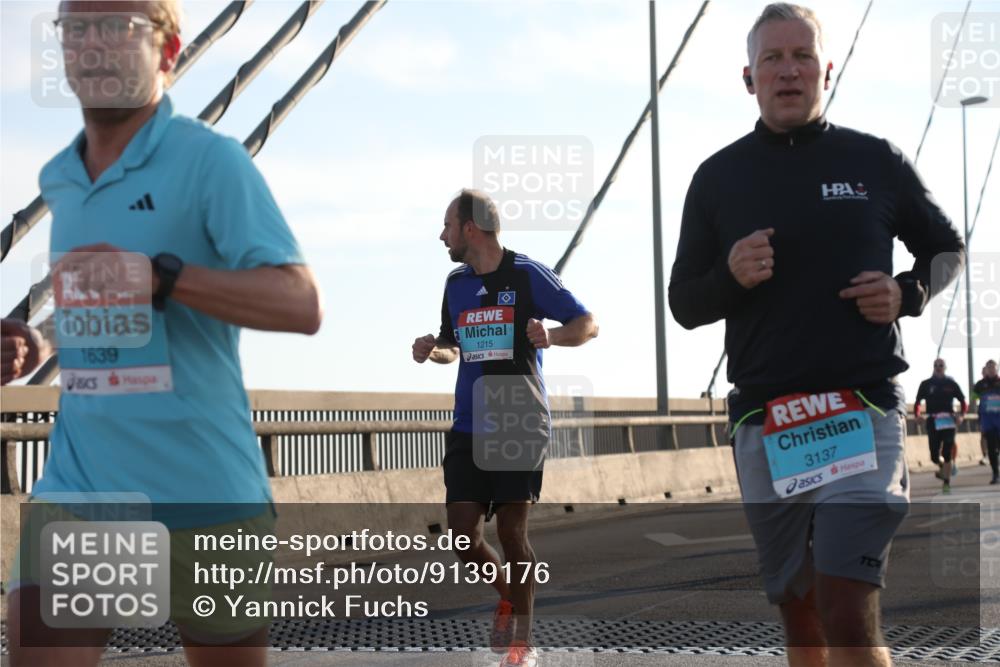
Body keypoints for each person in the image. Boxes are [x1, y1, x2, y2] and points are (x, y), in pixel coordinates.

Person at [2, 2, 322, 665]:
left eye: (118, 26)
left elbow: (300, 302)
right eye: (77, 27)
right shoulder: (62, 179)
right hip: (83, 487)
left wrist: (165, 277)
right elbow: (103, 305)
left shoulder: (213, 164)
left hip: (203, 492)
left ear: (169, 51)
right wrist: (42, 341)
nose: (93, 43)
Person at [668, 3, 964, 666]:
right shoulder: (717, 178)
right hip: (765, 419)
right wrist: (730, 278)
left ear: (826, 71)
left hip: (858, 407)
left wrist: (906, 293)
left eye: (802, 56)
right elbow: (683, 304)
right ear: (749, 78)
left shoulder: (874, 160)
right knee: (800, 611)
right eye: (772, 59)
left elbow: (947, 248)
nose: (788, 70)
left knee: (846, 608)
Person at [412, 189, 597, 667]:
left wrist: (551, 336)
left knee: (513, 532)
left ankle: (522, 642)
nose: (442, 234)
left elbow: (588, 322)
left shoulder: (526, 274)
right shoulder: (455, 284)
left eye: (447, 225)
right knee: (461, 534)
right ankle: (510, 596)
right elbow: (454, 346)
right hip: (469, 422)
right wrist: (433, 349)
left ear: (470, 228)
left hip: (518, 416)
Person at [914, 359, 966, 493]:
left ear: (945, 367)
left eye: (941, 365)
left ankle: (946, 482)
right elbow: (918, 402)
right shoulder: (926, 384)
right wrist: (917, 415)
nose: (938, 367)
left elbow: (963, 401)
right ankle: (944, 466)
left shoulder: (951, 384)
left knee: (947, 451)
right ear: (933, 367)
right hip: (933, 421)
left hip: (949, 421)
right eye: (936, 365)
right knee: (934, 456)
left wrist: (961, 415)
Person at [974, 359, 1000, 484]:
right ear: (986, 369)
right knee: (991, 448)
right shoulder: (980, 385)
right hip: (988, 421)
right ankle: (995, 473)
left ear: (997, 369)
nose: (991, 370)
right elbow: (973, 398)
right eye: (989, 368)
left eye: (993, 368)